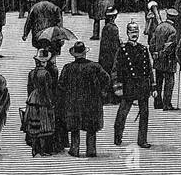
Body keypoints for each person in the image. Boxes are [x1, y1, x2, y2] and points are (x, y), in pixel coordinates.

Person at [57, 41, 109, 157]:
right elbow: (106, 78)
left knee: (75, 128)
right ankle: (91, 150)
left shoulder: (68, 68)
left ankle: (74, 150)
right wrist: (102, 92)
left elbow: (61, 85)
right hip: (91, 102)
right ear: (85, 53)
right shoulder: (94, 66)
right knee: (91, 128)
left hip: (73, 103)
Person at [112, 20, 153, 149]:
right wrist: (117, 87)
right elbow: (115, 69)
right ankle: (117, 137)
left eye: (136, 31)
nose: (134, 34)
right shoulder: (122, 50)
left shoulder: (143, 49)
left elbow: (149, 70)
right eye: (131, 31)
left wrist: (153, 86)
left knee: (144, 114)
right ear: (127, 33)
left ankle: (142, 140)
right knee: (122, 113)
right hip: (129, 85)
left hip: (142, 86)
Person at [24, 46, 59, 155]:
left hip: (32, 99)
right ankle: (43, 150)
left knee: (34, 124)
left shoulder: (31, 73)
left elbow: (29, 88)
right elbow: (48, 90)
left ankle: (34, 149)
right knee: (44, 125)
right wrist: (51, 102)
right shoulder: (46, 74)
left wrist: (30, 99)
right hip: (42, 99)